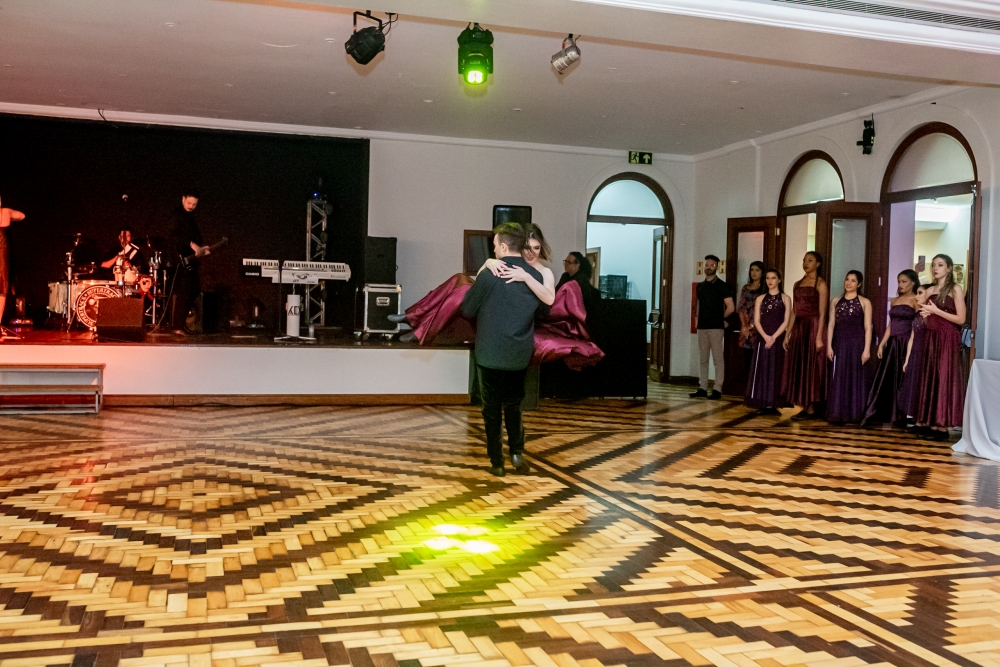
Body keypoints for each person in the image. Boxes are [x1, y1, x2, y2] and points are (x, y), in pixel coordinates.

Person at [393, 226, 603, 369]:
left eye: (536, 248)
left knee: (461, 294)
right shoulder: (509, 263)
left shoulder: (543, 271)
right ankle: (414, 317)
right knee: (459, 279)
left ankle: (418, 324)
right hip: (495, 311)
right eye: (527, 248)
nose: (531, 253)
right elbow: (484, 283)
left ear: (541, 249)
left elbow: (548, 300)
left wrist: (526, 277)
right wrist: (488, 263)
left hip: (525, 321)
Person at [460, 223, 543, 477]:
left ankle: (497, 462)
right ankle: (517, 453)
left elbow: (467, 310)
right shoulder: (535, 276)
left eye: (495, 245)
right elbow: (544, 312)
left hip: (490, 353)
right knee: (514, 406)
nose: (494, 250)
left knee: (491, 410)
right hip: (519, 354)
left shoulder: (490, 275)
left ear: (504, 246)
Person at [913, 254, 966, 439]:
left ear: (949, 268)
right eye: (934, 265)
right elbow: (922, 312)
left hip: (947, 337)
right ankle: (929, 421)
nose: (935, 268)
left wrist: (936, 311)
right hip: (931, 336)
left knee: (943, 377)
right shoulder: (930, 289)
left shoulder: (955, 289)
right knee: (930, 377)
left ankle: (942, 426)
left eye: (940, 265)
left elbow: (961, 319)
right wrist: (926, 314)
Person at [862, 270, 920, 426]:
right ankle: (886, 412)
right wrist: (882, 343)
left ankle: (902, 415)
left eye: (904, 282)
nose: (900, 285)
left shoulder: (915, 300)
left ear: (913, 282)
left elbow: (918, 324)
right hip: (893, 343)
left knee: (903, 378)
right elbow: (890, 325)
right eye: (899, 281)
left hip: (906, 342)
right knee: (889, 378)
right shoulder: (895, 300)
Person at [781, 251, 829, 419]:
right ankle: (803, 405)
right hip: (799, 328)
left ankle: (812, 407)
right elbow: (794, 311)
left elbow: (823, 313)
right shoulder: (797, 284)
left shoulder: (821, 284)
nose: (806, 263)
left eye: (810, 260)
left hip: (814, 326)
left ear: (818, 264)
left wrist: (818, 337)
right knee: (800, 365)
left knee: (812, 366)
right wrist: (787, 333)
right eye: (804, 260)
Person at [825, 270, 873, 425]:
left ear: (859, 284)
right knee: (839, 378)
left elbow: (868, 327)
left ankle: (855, 414)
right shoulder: (835, 301)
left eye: (853, 280)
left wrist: (866, 350)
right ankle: (838, 413)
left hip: (857, 344)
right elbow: (831, 325)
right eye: (847, 279)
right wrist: (829, 346)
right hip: (839, 343)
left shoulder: (865, 302)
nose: (849, 283)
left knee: (855, 378)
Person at [745, 268, 791, 414]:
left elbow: (786, 321)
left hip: (777, 338)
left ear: (779, 280)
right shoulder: (760, 298)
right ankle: (762, 402)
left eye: (773, 278)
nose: (770, 281)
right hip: (763, 338)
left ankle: (773, 403)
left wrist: (774, 337)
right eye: (767, 278)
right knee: (762, 369)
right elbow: (756, 321)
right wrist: (765, 336)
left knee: (776, 370)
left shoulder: (786, 298)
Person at [691, 254, 734, 399]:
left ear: (717, 267)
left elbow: (731, 307)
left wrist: (719, 318)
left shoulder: (722, 286)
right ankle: (702, 387)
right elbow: (698, 306)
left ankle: (717, 389)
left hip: (716, 327)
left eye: (712, 265)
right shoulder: (700, 286)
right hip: (702, 327)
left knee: (717, 359)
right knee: (703, 359)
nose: (709, 267)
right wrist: (697, 321)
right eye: (707, 265)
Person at [167, 190, 210, 334]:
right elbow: (172, 236)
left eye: (194, 204)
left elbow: (196, 238)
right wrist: (192, 244)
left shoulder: (191, 218)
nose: (191, 206)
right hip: (180, 260)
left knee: (195, 290)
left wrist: (202, 248)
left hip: (191, 260)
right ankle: (177, 326)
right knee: (184, 292)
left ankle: (180, 323)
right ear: (183, 199)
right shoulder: (177, 215)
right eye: (189, 203)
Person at [898, 283, 929, 423]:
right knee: (912, 384)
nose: (916, 296)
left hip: (925, 354)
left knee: (922, 385)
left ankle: (923, 418)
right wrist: (907, 359)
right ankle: (913, 417)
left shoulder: (931, 316)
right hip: (915, 353)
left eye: (920, 293)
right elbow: (912, 337)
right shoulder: (917, 314)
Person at [0, 202, 26, 338]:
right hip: (2, 255)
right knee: (1, 289)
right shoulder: (5, 212)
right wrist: (10, 217)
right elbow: (22, 216)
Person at [738, 262, 765, 354]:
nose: (754, 272)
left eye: (757, 270)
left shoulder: (765, 289)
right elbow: (741, 308)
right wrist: (744, 326)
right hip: (746, 323)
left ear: (762, 272)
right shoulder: (746, 288)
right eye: (752, 270)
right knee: (747, 355)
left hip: (760, 325)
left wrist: (752, 325)